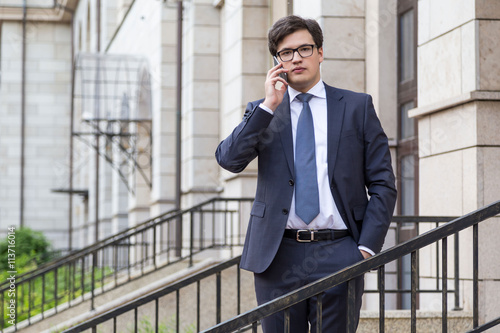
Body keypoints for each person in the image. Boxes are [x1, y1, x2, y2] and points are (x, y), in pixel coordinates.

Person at [215, 15, 397, 332]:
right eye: (286, 52)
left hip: (340, 250)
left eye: (305, 49)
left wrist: (366, 248)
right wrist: (269, 106)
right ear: (277, 61)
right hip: (277, 255)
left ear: (320, 52)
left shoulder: (357, 107)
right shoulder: (264, 111)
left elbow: (383, 183)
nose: (296, 57)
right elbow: (229, 160)